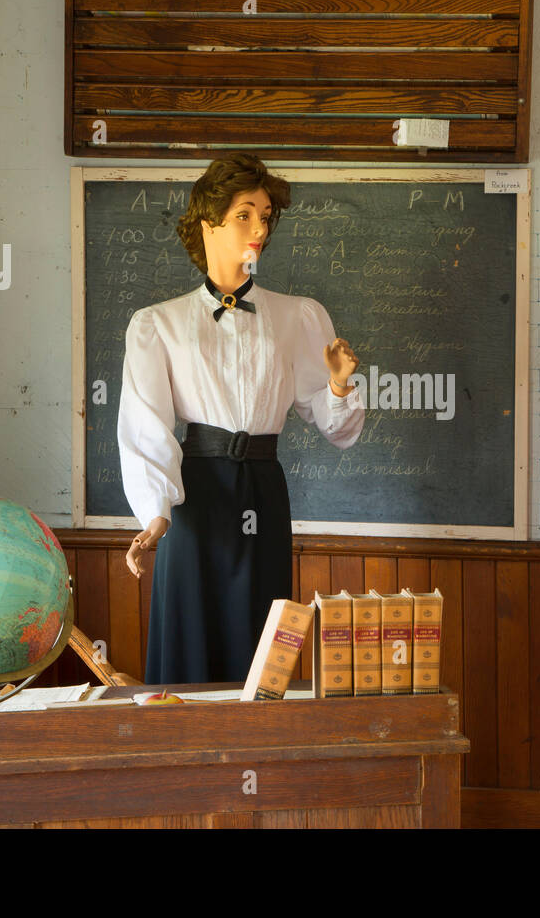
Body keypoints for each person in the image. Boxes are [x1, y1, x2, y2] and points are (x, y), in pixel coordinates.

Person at [117, 154, 366, 684]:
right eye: (244, 215)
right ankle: (185, 762)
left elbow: (335, 427)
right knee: (190, 633)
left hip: (261, 494)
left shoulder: (298, 315)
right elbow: (145, 428)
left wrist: (340, 385)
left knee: (260, 644)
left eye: (267, 216)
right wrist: (155, 515)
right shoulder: (156, 324)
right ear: (208, 222)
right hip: (195, 497)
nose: (260, 228)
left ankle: (261, 762)